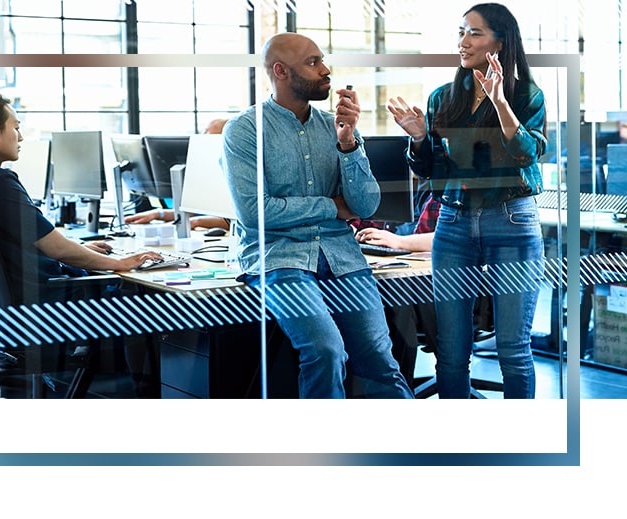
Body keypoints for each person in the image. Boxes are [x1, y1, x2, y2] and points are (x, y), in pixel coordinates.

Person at [221, 32, 413, 399]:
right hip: (279, 257)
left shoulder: (335, 126)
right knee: (326, 351)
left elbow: (366, 205)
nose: (326, 70)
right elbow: (254, 213)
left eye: (322, 60)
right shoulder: (244, 131)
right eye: (313, 63)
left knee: (379, 359)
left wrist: (348, 143)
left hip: (341, 255)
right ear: (280, 71)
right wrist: (331, 206)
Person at [387, 3, 545, 399]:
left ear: (500, 41)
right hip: (453, 224)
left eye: (474, 32)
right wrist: (419, 137)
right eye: (461, 32)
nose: (462, 41)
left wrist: (500, 102)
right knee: (452, 352)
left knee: (513, 350)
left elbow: (527, 153)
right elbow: (429, 171)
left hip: (511, 221)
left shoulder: (526, 94)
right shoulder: (444, 97)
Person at [0, 92, 161, 307]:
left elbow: (17, 246)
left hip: (5, 305)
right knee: (137, 293)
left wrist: (81, 248)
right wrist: (121, 263)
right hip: (43, 302)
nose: (21, 136)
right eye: (16, 127)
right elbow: (57, 249)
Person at [124, 118, 233, 230]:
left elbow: (233, 220)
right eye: (203, 132)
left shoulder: (233, 174)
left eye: (208, 135)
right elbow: (192, 212)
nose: (202, 137)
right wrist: (157, 214)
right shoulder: (208, 172)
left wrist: (195, 222)